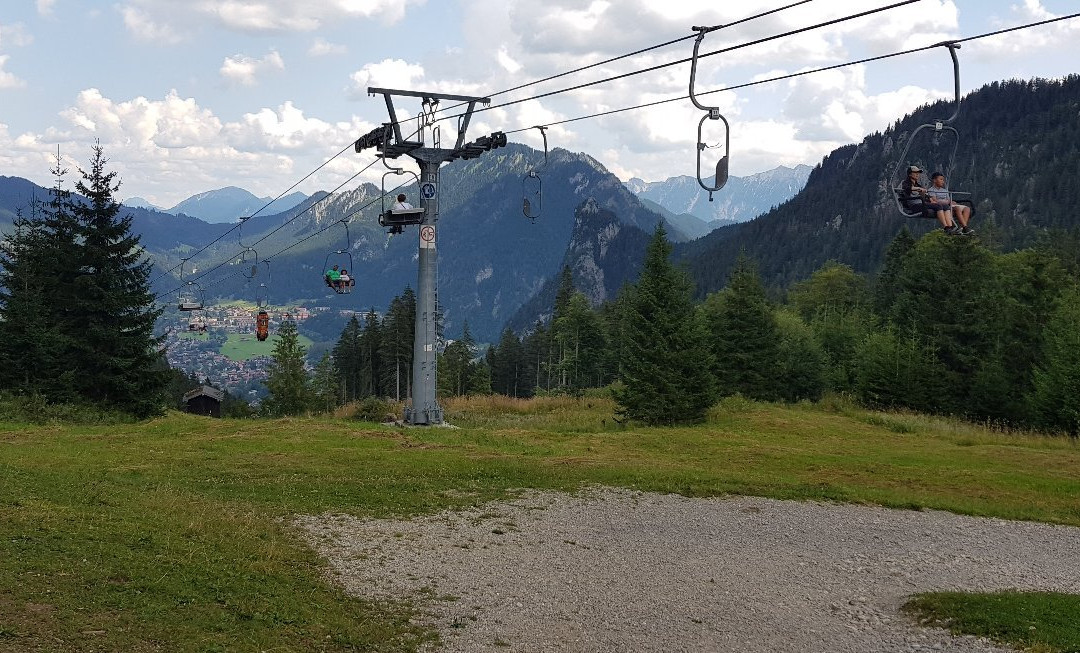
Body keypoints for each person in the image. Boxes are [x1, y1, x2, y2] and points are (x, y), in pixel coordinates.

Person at [901, 165, 960, 235]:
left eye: (918, 173)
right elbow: (906, 188)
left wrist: (926, 196)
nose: (917, 174)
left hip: (922, 203)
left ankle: (951, 227)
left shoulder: (918, 185)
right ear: (910, 174)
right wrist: (918, 189)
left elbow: (924, 196)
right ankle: (946, 227)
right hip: (915, 206)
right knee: (938, 206)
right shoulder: (906, 183)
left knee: (945, 206)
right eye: (915, 172)